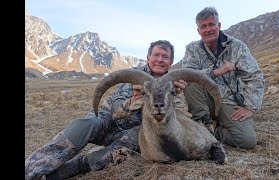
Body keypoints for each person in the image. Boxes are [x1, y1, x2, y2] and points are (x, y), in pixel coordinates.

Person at [25, 40, 188, 180]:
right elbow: (116, 112)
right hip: (107, 123)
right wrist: (134, 100)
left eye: (165, 57)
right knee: (87, 123)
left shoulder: (174, 85)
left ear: (171, 62)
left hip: (132, 135)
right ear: (148, 58)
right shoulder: (134, 77)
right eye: (156, 55)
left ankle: (73, 168)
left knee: (137, 136)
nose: (160, 60)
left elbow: (181, 121)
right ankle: (32, 168)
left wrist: (178, 96)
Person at [181, 7, 265, 149]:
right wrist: (217, 72)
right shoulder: (192, 49)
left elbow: (255, 77)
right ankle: (203, 125)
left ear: (218, 25)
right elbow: (188, 75)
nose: (208, 29)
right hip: (205, 100)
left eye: (211, 24)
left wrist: (250, 107)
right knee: (190, 79)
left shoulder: (237, 47)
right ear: (198, 31)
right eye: (203, 26)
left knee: (247, 141)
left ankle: (216, 131)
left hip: (228, 101)